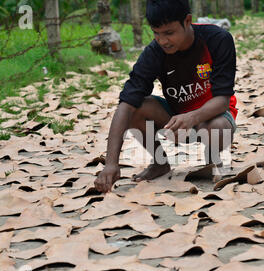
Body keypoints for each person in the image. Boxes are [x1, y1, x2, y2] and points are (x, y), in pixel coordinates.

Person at [94, 0, 238, 194]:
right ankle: (160, 163)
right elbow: (126, 104)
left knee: (215, 128)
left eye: (169, 33)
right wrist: (111, 163)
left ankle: (212, 158)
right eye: (156, 33)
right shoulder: (154, 53)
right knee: (135, 107)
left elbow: (222, 101)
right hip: (176, 117)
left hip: (214, 117)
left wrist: (192, 117)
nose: (163, 41)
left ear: (187, 21)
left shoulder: (217, 40)